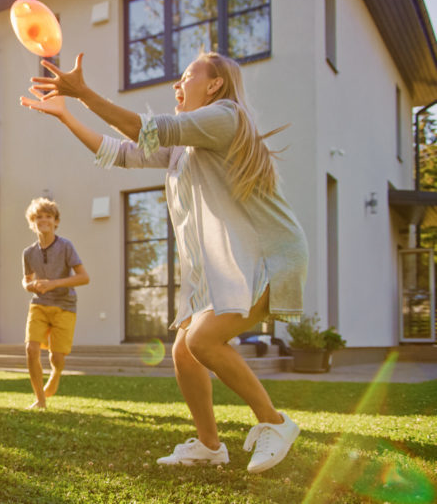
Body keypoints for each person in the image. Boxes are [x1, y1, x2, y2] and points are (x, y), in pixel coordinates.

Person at [21, 52, 307, 473]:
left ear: (214, 85)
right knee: (184, 351)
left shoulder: (225, 116)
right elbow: (120, 152)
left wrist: (82, 92)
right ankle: (210, 446)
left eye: (187, 77)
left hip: (269, 255)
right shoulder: (185, 148)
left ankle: (275, 422)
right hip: (229, 267)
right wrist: (66, 114)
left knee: (202, 341)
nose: (178, 85)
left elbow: (146, 128)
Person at [21, 197, 89, 410]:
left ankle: (57, 373)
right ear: (32, 222)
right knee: (31, 349)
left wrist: (53, 284)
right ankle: (40, 400)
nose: (44, 220)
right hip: (39, 304)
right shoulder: (28, 253)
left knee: (57, 358)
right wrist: (28, 286)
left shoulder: (66, 246)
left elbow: (84, 277)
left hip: (64, 306)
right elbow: (27, 279)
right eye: (39, 217)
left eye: (48, 217)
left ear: (56, 222)